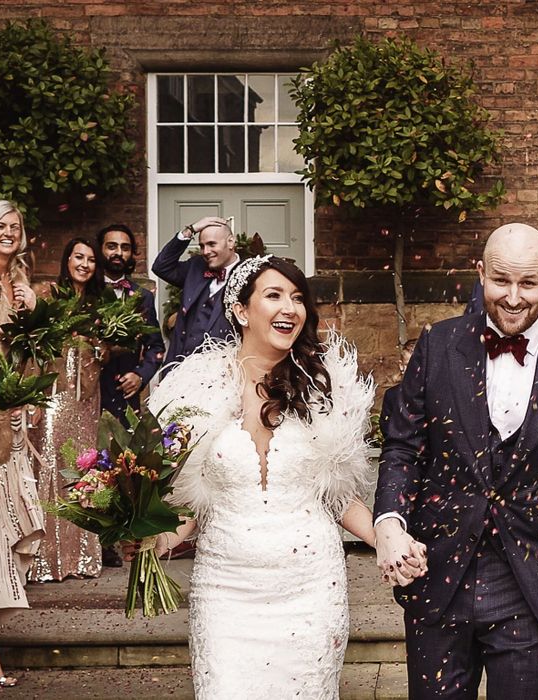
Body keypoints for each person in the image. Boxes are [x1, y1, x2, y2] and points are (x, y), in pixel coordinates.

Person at [126, 254, 389, 698]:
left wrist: (388, 539)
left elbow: (338, 497)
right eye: (274, 295)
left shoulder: (324, 386)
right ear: (241, 310)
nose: (290, 308)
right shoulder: (197, 389)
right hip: (226, 590)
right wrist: (148, 539)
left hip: (311, 589)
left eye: (298, 298)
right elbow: (190, 501)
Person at [375, 223, 538, 699]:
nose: (513, 296)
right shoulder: (437, 345)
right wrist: (389, 521)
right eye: (501, 280)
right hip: (438, 573)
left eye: (528, 283)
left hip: (535, 579)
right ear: (480, 273)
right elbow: (404, 445)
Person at [28, 238, 104, 582]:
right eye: (78, 257)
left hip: (86, 396)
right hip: (54, 391)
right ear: (67, 260)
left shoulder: (98, 304)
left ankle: (79, 557)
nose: (85, 264)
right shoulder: (48, 294)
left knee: (80, 465)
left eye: (90, 259)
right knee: (49, 462)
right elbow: (32, 343)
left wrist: (96, 345)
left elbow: (108, 349)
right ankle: (45, 558)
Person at [0, 200, 44, 687]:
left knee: (14, 520)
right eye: (0, 226)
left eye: (14, 226)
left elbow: (24, 349)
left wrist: (32, 309)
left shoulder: (19, 280)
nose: (9, 232)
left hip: (12, 409)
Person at [152, 216, 240, 374]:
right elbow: (161, 267)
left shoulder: (249, 276)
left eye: (212, 244)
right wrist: (191, 230)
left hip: (220, 377)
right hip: (177, 370)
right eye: (202, 246)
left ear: (231, 242)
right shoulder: (196, 266)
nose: (206, 252)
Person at [97, 224, 164, 423]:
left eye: (125, 248)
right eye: (111, 246)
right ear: (100, 249)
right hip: (90, 392)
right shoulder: (87, 292)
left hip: (124, 396)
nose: (118, 253)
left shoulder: (143, 296)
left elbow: (156, 346)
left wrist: (141, 376)